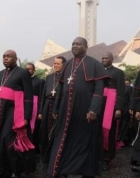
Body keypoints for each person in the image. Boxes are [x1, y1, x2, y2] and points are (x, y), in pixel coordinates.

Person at [48, 37, 108, 178]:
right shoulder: (67, 65)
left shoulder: (94, 64)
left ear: (86, 47)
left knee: (85, 141)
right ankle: (61, 169)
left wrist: (93, 109)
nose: (74, 46)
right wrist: (56, 109)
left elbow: (99, 90)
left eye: (78, 44)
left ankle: (86, 172)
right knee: (63, 139)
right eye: (73, 44)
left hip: (85, 110)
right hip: (66, 111)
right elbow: (60, 90)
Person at [0, 50, 36, 178]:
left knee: (8, 140)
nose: (6, 59)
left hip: (13, 112)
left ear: (16, 58)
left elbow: (28, 96)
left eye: (9, 56)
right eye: (4, 57)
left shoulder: (23, 73)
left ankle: (15, 170)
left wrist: (26, 116)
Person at [38, 56, 66, 164]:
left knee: (57, 132)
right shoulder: (49, 77)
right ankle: (46, 157)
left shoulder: (67, 77)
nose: (55, 66)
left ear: (63, 64)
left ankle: (57, 158)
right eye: (54, 64)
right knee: (45, 132)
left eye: (58, 64)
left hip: (59, 106)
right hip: (47, 106)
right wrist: (40, 111)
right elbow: (43, 96)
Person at [100, 52, 125, 171]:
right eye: (103, 58)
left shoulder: (118, 72)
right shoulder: (98, 71)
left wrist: (119, 108)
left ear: (112, 59)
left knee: (109, 132)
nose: (104, 59)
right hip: (99, 103)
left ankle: (107, 159)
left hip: (111, 103)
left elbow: (121, 91)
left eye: (106, 58)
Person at [25, 63, 44, 154]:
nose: (27, 70)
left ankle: (33, 149)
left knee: (34, 129)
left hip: (35, 106)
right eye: (26, 69)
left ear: (33, 70)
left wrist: (40, 111)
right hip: (24, 106)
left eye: (29, 69)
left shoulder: (39, 81)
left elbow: (41, 97)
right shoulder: (23, 80)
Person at [117, 78, 135, 146]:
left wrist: (131, 108)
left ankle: (122, 139)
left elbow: (131, 99)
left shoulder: (130, 88)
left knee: (124, 125)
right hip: (120, 108)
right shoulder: (119, 88)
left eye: (127, 83)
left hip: (126, 109)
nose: (126, 85)